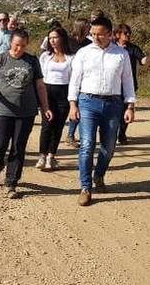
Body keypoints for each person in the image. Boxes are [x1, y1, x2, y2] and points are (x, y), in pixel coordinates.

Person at [68, 16, 136, 207]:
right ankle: (85, 186)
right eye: (93, 34)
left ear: (110, 33)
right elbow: (75, 79)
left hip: (113, 103)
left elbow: (128, 81)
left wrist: (130, 105)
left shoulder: (121, 54)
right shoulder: (83, 53)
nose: (96, 37)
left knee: (109, 146)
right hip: (87, 101)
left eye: (100, 34)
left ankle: (99, 174)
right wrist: (73, 104)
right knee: (87, 144)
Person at [0, 29, 52, 198]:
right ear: (10, 43)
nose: (19, 49)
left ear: (26, 45)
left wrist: (45, 107)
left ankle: (11, 182)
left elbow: (40, 86)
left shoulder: (32, 61)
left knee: (18, 147)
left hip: (26, 112)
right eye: (16, 45)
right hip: (3, 110)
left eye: (22, 46)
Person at [37, 27, 74, 171]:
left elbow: (74, 78)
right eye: (50, 38)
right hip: (48, 92)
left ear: (62, 38)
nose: (52, 41)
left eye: (55, 37)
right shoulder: (45, 56)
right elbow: (40, 77)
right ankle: (42, 155)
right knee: (47, 125)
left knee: (58, 126)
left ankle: (51, 156)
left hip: (64, 92)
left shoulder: (71, 57)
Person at [115, 23, 147, 144]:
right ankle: (112, 133)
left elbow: (142, 59)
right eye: (125, 33)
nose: (128, 35)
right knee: (114, 110)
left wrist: (145, 60)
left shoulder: (133, 48)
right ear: (118, 34)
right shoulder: (111, 47)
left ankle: (122, 134)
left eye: (129, 33)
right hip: (113, 85)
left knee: (126, 110)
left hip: (129, 84)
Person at [65, 18, 91, 147]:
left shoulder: (89, 43)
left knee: (78, 107)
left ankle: (71, 135)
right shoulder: (68, 42)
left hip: (82, 79)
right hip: (67, 78)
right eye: (87, 27)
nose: (89, 29)